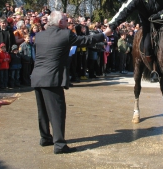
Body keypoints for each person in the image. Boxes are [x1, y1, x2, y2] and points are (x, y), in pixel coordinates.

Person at [31, 11, 111, 155]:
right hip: (52, 78)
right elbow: (85, 40)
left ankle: (45, 138)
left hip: (37, 77)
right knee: (57, 112)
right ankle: (59, 144)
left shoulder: (39, 36)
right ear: (60, 22)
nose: (68, 22)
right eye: (66, 20)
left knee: (42, 111)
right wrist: (104, 34)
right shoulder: (65, 34)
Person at [108, 0, 163, 82]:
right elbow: (125, 10)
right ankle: (154, 70)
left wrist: (161, 15)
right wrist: (111, 26)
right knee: (147, 45)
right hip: (148, 24)